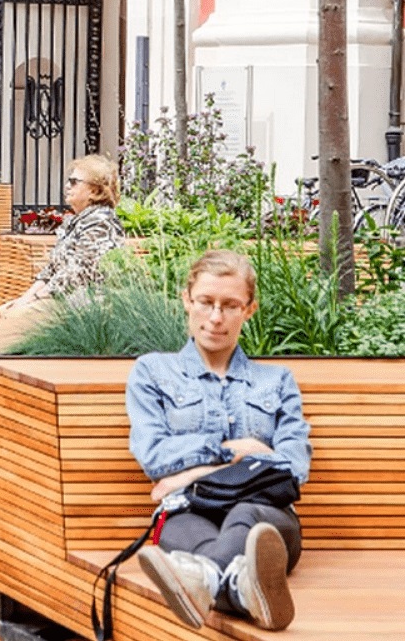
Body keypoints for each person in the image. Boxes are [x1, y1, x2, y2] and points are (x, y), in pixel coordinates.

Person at [127, 249, 311, 632]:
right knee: (182, 530)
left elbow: (295, 465)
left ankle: (206, 582)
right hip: (188, 515)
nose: (215, 317)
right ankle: (242, 593)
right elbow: (154, 456)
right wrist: (238, 454)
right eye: (206, 302)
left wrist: (185, 476)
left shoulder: (276, 381)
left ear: (249, 309)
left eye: (230, 305)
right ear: (186, 300)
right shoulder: (153, 372)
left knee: (247, 518)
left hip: (270, 522)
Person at [0, 154, 124, 318]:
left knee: (12, 319)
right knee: (4, 311)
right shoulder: (76, 221)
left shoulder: (101, 222)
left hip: (85, 305)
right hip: (63, 298)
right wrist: (25, 298)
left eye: (74, 182)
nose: (67, 186)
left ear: (95, 191)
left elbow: (78, 273)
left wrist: (35, 299)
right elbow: (51, 270)